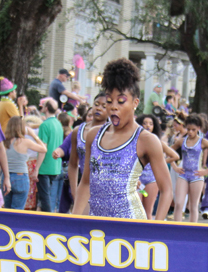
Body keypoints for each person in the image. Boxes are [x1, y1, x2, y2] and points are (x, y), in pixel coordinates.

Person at [73, 59, 173, 220]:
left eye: (120, 101)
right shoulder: (93, 135)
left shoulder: (146, 140)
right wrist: (73, 220)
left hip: (130, 228)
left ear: (135, 103)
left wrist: (156, 228)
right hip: (96, 226)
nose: (113, 106)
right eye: (109, 100)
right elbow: (85, 183)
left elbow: (167, 189)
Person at [171, 115, 208, 223]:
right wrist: (175, 167)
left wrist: (207, 171)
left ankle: (192, 230)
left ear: (199, 128)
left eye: (193, 130)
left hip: (196, 175)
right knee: (179, 203)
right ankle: (177, 229)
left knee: (193, 205)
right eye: (188, 129)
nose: (190, 132)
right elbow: (168, 152)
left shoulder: (203, 142)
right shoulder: (181, 141)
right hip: (183, 174)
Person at [135, 114, 179, 220]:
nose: (148, 126)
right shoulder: (134, 142)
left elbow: (175, 156)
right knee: (137, 210)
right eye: (145, 123)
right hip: (137, 179)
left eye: (151, 124)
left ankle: (149, 234)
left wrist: (160, 162)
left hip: (151, 179)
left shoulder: (157, 142)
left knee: (148, 212)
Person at [4, 116, 46, 210]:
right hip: (20, 176)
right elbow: (43, 149)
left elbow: (0, 162)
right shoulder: (25, 142)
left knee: (7, 209)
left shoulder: (4, 142)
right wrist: (34, 136)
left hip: (6, 177)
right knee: (18, 210)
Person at [35, 97, 63, 212]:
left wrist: (36, 168)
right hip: (55, 166)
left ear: (46, 108)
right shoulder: (58, 124)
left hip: (45, 166)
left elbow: (43, 149)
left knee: (45, 197)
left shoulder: (44, 125)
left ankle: (49, 219)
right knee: (47, 196)